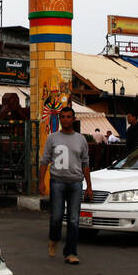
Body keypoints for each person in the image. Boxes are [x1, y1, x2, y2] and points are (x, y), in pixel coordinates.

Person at [39, 106, 92, 265]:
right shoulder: (52, 138)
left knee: (74, 220)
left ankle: (71, 253)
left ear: (74, 119)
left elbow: (86, 163)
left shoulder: (81, 139)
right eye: (63, 117)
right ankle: (54, 238)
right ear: (60, 119)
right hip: (57, 182)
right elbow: (44, 161)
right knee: (56, 217)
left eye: (69, 117)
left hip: (76, 183)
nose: (66, 119)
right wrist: (41, 181)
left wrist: (89, 186)